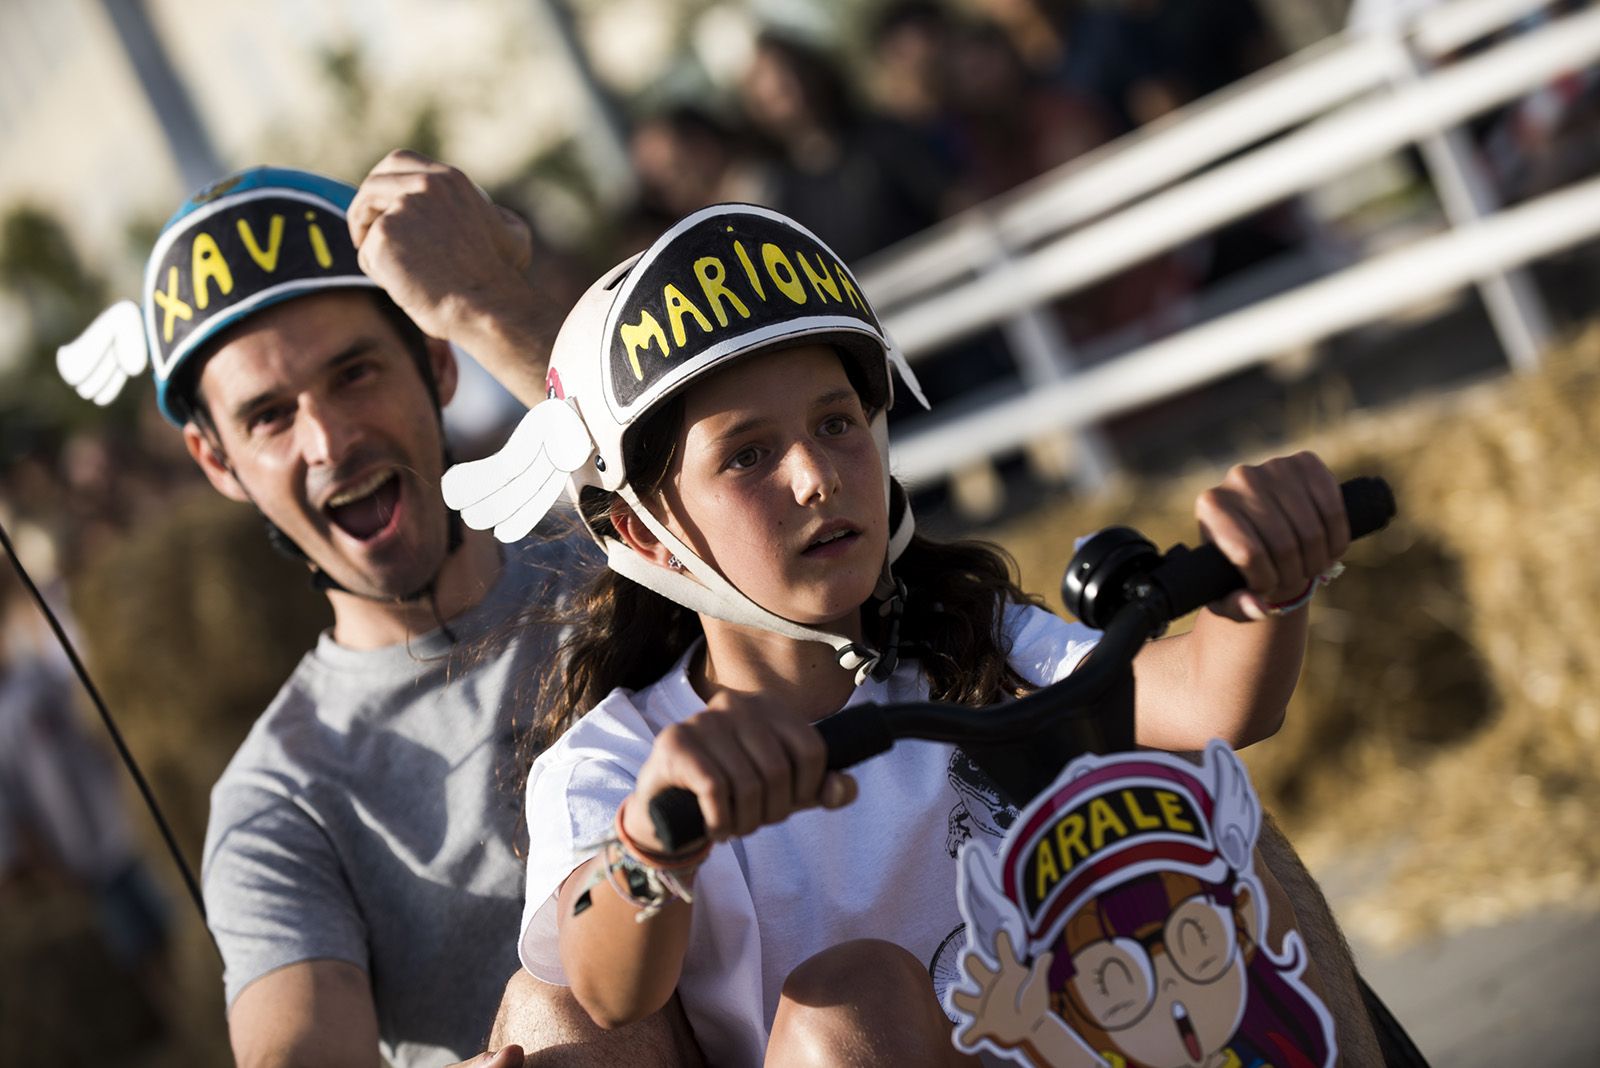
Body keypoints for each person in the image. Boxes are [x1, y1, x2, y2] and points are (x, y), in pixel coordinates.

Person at [447, 204, 1383, 1063]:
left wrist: (1268, 580)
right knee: (848, 1001)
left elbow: (1207, 703)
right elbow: (609, 991)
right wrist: (654, 845)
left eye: (837, 422)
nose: (817, 476)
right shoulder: (616, 759)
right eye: (748, 454)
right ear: (641, 531)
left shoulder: (970, 637)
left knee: (1181, 788)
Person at [56, 152, 698, 1068]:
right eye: (269, 416)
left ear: (437, 362)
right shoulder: (277, 799)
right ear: (216, 464)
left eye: (354, 373)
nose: (329, 440)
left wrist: (485, 297)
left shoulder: (624, 556)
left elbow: (732, 490)